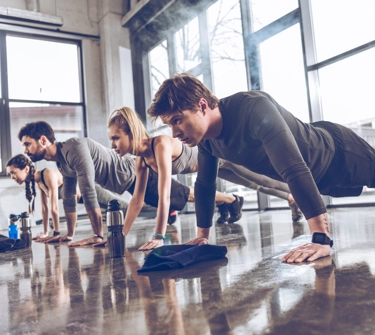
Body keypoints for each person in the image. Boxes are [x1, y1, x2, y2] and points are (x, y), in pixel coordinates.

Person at [147, 73, 375, 263]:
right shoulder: (207, 142)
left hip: (339, 153)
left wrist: (321, 239)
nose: (174, 133)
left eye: (177, 120)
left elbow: (293, 168)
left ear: (202, 105)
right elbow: (205, 185)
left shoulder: (253, 108)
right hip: (322, 181)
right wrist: (202, 237)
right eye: (169, 125)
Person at [17, 121, 194, 247]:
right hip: (126, 183)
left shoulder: (74, 148)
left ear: (42, 140)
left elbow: (88, 191)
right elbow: (69, 198)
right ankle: (175, 209)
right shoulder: (62, 162)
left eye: (27, 144)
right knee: (152, 204)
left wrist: (97, 235)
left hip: (132, 173)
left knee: (189, 195)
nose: (25, 150)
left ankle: (222, 199)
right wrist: (68, 235)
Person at [107, 107, 244, 250]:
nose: (112, 145)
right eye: (111, 139)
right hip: (211, 167)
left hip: (221, 155)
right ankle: (228, 202)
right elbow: (136, 200)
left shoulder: (160, 145)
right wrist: (119, 235)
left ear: (131, 132)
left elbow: (165, 195)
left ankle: (232, 201)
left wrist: (159, 236)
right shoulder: (141, 160)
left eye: (116, 138)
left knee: (262, 181)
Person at [6, 154, 134, 242]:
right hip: (84, 201)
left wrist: (56, 234)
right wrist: (45, 233)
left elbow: (54, 207)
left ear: (26, 169)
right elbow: (45, 209)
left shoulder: (47, 174)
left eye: (13, 173)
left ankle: (153, 205)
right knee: (125, 209)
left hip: (91, 193)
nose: (12, 177)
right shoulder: (39, 182)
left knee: (128, 207)